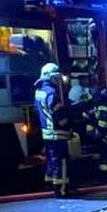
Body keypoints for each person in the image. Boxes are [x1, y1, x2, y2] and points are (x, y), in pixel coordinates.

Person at [33, 63, 71, 196]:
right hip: (57, 133)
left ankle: (49, 184)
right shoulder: (52, 92)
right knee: (61, 161)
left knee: (51, 159)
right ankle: (61, 189)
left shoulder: (39, 92)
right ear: (49, 77)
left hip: (47, 133)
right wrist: (67, 123)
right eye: (55, 77)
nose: (57, 80)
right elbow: (57, 113)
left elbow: (37, 111)